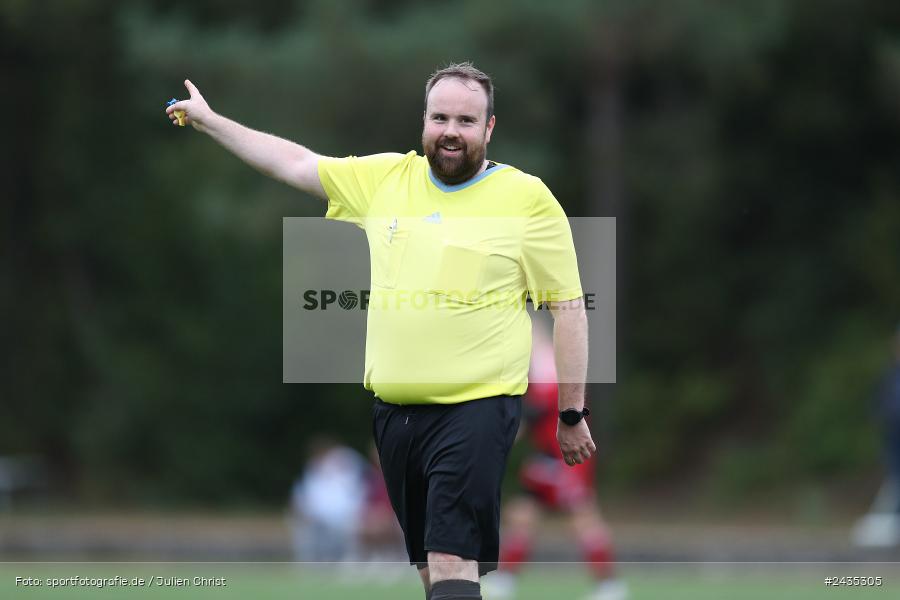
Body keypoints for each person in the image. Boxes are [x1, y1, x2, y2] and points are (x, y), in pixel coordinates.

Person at [166, 62, 596, 600]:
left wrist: (571, 413)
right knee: (432, 574)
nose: (451, 131)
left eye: (466, 120)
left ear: (489, 128)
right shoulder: (387, 179)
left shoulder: (526, 199)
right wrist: (211, 121)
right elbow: (296, 164)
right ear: (424, 121)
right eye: (440, 117)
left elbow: (569, 309)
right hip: (395, 416)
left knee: (451, 560)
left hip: (478, 408)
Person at [487, 320, 626, 600]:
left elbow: (536, 412)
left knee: (583, 519)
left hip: (566, 456)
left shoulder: (547, 362)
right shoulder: (532, 363)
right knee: (522, 514)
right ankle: (505, 580)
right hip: (544, 456)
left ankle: (610, 586)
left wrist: (495, 441)